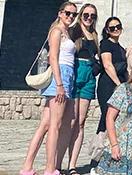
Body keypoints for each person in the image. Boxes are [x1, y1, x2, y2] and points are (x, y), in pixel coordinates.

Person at [20, 2, 77, 175]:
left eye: (74, 14)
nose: (71, 16)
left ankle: (27, 167)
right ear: (60, 13)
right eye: (68, 13)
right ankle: (50, 169)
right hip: (60, 77)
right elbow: (53, 57)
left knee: (45, 124)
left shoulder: (66, 31)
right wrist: (60, 85)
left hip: (65, 76)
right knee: (55, 125)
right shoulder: (57, 31)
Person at [62, 4, 98, 174]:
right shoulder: (73, 30)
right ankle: (58, 162)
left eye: (92, 16)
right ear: (80, 15)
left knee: (81, 122)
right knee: (71, 121)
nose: (89, 18)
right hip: (75, 73)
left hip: (89, 77)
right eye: (86, 15)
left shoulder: (95, 35)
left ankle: (72, 165)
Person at [95, 16, 128, 135]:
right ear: (107, 30)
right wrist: (119, 85)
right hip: (108, 84)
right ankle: (99, 143)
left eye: (118, 26)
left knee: (114, 117)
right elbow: (107, 65)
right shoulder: (105, 43)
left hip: (120, 83)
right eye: (112, 27)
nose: (116, 29)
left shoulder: (121, 48)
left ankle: (107, 144)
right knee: (107, 114)